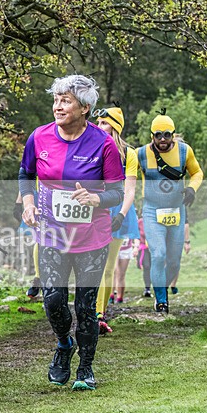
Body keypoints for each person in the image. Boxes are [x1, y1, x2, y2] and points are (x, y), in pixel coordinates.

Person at [19, 75, 124, 391]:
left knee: (85, 306)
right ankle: (64, 344)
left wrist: (96, 198)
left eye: (65, 100)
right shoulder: (39, 137)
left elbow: (117, 192)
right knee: (53, 300)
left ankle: (86, 370)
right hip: (52, 234)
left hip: (91, 237)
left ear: (85, 107)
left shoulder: (103, 144)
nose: (57, 106)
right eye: (56, 99)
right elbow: (26, 174)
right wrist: (27, 203)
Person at [136, 113, 203, 313]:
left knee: (174, 261)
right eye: (158, 135)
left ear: (173, 134)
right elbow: (126, 175)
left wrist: (192, 188)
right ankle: (162, 300)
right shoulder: (141, 154)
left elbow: (197, 173)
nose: (162, 140)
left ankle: (161, 288)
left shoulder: (184, 151)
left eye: (167, 135)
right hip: (151, 211)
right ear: (151, 136)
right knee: (158, 254)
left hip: (176, 211)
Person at [92, 107, 139, 334]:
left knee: (108, 268)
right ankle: (93, 312)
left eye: (104, 123)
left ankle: (100, 314)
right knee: (95, 266)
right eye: (98, 122)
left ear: (115, 127)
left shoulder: (129, 154)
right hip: (96, 209)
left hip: (120, 212)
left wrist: (121, 214)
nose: (99, 127)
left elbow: (130, 190)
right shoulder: (92, 147)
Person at [15, 192, 41, 298]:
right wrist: (21, 194)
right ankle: (37, 278)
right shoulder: (31, 187)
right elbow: (16, 212)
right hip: (28, 233)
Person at [169, 211, 191, 294]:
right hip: (162, 235)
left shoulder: (180, 202)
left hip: (176, 237)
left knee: (175, 263)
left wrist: (187, 242)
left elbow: (186, 223)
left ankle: (173, 284)